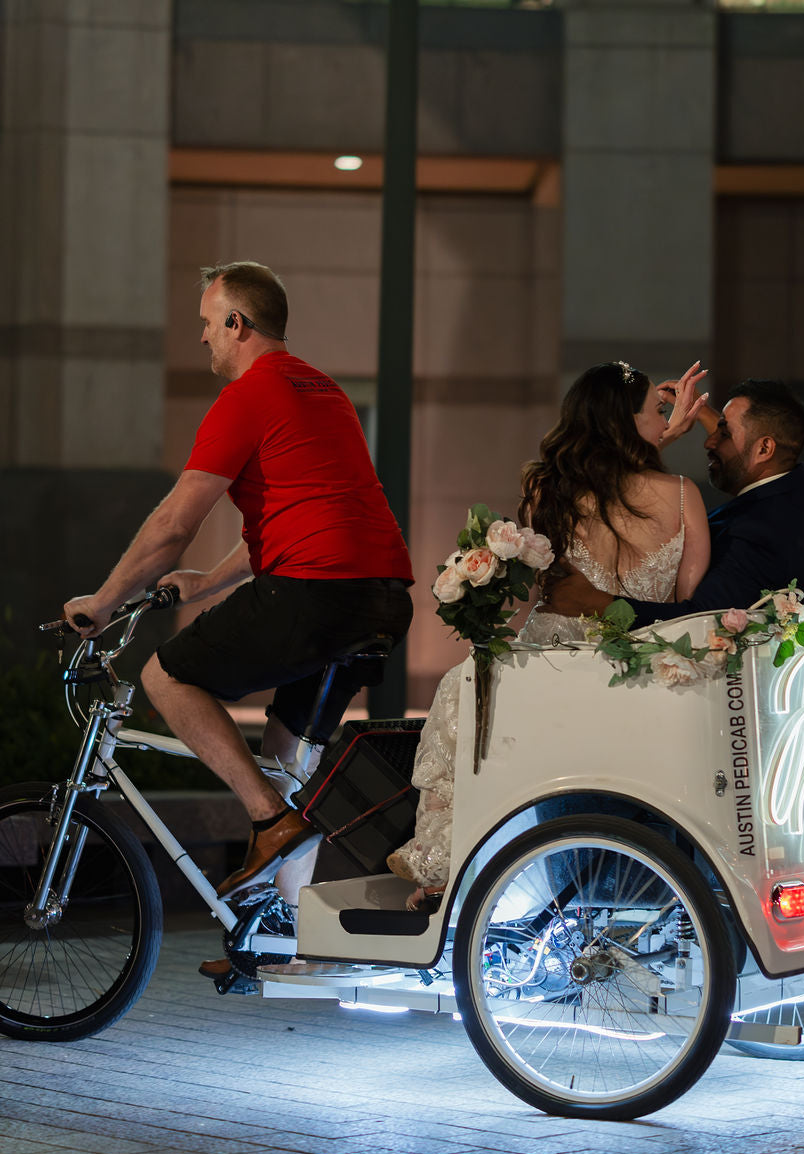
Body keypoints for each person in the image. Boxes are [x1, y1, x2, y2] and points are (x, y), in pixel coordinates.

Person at [63, 262, 414, 952]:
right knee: (285, 761)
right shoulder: (324, 391)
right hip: (378, 599)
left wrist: (104, 602)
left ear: (237, 323)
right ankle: (281, 929)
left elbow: (171, 525)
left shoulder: (248, 396)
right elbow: (312, 519)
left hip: (313, 593)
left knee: (165, 676)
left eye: (206, 322)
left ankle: (268, 822)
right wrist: (208, 584)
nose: (202, 338)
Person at [386, 359, 711, 904]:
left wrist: (650, 433)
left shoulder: (550, 489)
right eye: (658, 408)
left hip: (551, 659)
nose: (669, 416)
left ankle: (448, 863)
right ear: (627, 420)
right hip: (638, 666)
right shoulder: (682, 497)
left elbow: (549, 582)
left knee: (459, 695)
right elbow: (684, 607)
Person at [545, 378, 804, 627]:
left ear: (765, 447)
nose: (709, 441)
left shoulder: (762, 532)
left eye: (724, 433)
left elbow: (701, 618)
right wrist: (703, 414)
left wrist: (597, 603)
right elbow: (756, 449)